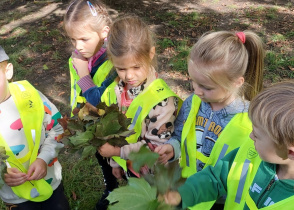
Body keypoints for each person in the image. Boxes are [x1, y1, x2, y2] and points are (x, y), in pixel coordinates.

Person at [162, 79, 294, 209]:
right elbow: (215, 178)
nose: (250, 136)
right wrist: (181, 194)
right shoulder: (249, 154)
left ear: (291, 153)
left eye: (257, 135)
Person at [154, 30, 265, 177]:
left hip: (223, 197)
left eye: (206, 87)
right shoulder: (192, 104)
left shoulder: (250, 119)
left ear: (237, 82)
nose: (197, 91)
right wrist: (173, 148)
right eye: (194, 81)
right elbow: (180, 134)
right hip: (190, 185)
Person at [98, 15, 181, 184]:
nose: (129, 76)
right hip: (130, 166)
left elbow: (154, 148)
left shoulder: (161, 101)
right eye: (121, 68)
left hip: (154, 175)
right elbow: (112, 133)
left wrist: (115, 152)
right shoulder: (113, 91)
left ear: (151, 54)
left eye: (136, 67)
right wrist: (116, 162)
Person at [0, 46, 69, 209]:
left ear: (8, 71)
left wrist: (43, 158)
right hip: (15, 197)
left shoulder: (31, 97)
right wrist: (2, 174)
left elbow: (57, 129)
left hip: (51, 184)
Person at [63, 1, 117, 209]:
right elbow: (75, 90)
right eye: (73, 39)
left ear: (104, 32)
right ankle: (110, 187)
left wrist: (84, 73)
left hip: (112, 126)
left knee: (119, 158)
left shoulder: (114, 61)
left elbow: (99, 98)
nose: (78, 46)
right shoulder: (77, 57)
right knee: (101, 156)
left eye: (84, 39)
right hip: (90, 123)